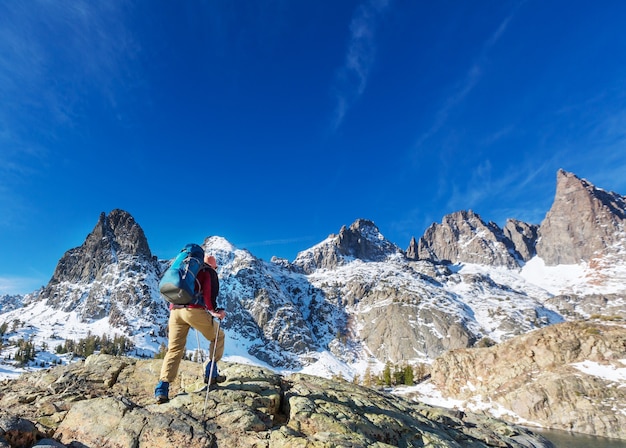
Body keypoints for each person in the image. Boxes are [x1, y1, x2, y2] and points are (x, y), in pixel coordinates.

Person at [154, 253, 227, 403]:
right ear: (213, 265)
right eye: (216, 267)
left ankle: (162, 388)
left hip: (175, 312)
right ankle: (211, 373)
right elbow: (208, 295)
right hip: (193, 311)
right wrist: (215, 311)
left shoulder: (185, 271)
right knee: (218, 336)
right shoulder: (208, 272)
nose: (216, 269)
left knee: (174, 349)